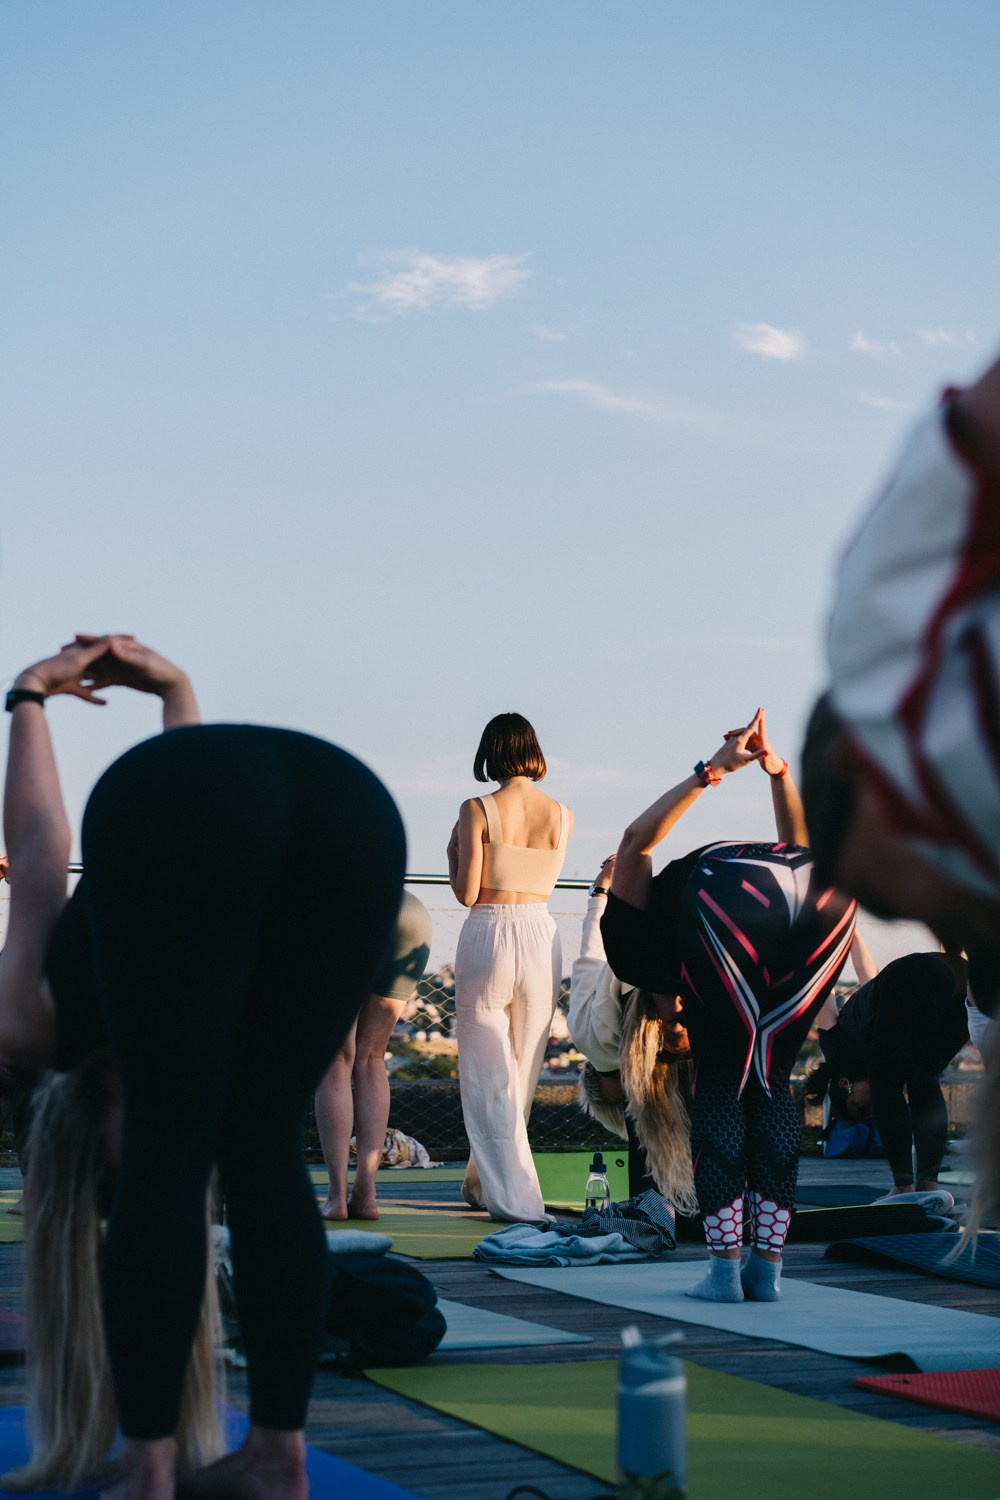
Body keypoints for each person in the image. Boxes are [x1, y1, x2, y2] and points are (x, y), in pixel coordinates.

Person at [0, 635, 405, 1500]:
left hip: (257, 795)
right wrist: (175, 693)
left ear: (83, 1139)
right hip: (350, 804)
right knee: (263, 1144)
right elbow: (213, 846)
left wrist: (27, 697)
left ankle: (148, 1471)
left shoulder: (33, 1029)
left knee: (175, 1146)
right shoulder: (184, 1013)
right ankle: (277, 1458)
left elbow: (38, 844)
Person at [601, 710, 856, 1302]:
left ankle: (723, 1274)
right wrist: (778, 775)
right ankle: (765, 1270)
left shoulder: (632, 954)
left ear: (646, 1025)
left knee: (722, 1083)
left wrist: (710, 772)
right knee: (769, 1079)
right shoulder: (680, 969)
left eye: (674, 1028)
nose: (682, 1019)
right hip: (826, 895)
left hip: (745, 891)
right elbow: (798, 856)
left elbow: (636, 841)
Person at [447, 712, 573, 1222]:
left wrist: (453, 852)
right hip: (541, 934)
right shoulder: (563, 814)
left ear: (491, 751)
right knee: (521, 1071)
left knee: (486, 1073)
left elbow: (467, 893)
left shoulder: (477, 808)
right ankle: (482, 1182)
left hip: (489, 931)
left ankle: (514, 1200)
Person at [568, 856, 696, 1209]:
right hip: (641, 969)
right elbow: (590, 953)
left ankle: (659, 1201)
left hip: (643, 984)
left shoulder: (595, 1046)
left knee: (650, 1112)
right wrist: (599, 894)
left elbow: (590, 955)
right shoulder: (585, 1036)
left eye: (615, 1100)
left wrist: (600, 893)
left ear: (597, 1086)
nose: (621, 1099)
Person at [806, 951, 969, 1200]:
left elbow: (825, 987)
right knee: (924, 1078)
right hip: (964, 987)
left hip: (913, 975)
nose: (871, 1110)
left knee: (886, 1085)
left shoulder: (836, 1048)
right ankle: (928, 1186)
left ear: (844, 1084)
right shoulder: (884, 1036)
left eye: (860, 1107)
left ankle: (904, 1186)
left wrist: (834, 939)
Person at [315, 889, 432, 1221]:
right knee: (372, 1057)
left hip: (346, 910)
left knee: (336, 1059)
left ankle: (336, 1198)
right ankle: (366, 1194)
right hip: (410, 912)